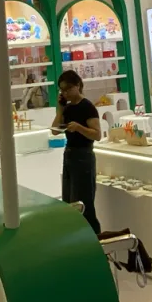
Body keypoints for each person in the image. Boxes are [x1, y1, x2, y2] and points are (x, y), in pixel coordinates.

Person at [51, 70, 102, 234]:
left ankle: (94, 236)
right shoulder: (67, 108)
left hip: (84, 155)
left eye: (68, 89)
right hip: (69, 154)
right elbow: (54, 131)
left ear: (78, 85)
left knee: (84, 201)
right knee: (69, 201)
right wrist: (60, 110)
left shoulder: (87, 107)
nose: (65, 93)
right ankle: (76, 235)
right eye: (62, 90)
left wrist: (79, 128)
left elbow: (97, 135)